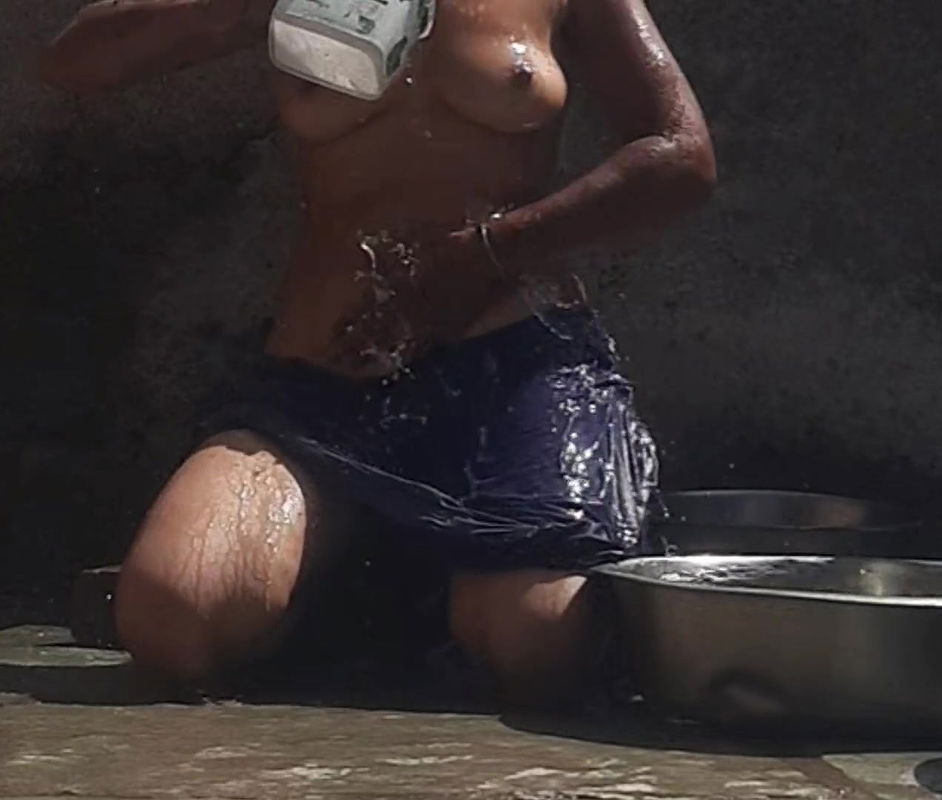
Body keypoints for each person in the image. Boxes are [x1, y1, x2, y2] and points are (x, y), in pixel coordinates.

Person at [36, 0, 715, 708]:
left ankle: (430, 587)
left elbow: (681, 154)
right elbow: (74, 63)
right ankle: (350, 576)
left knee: (536, 639)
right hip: (325, 374)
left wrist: (491, 252)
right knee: (169, 619)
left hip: (513, 362)